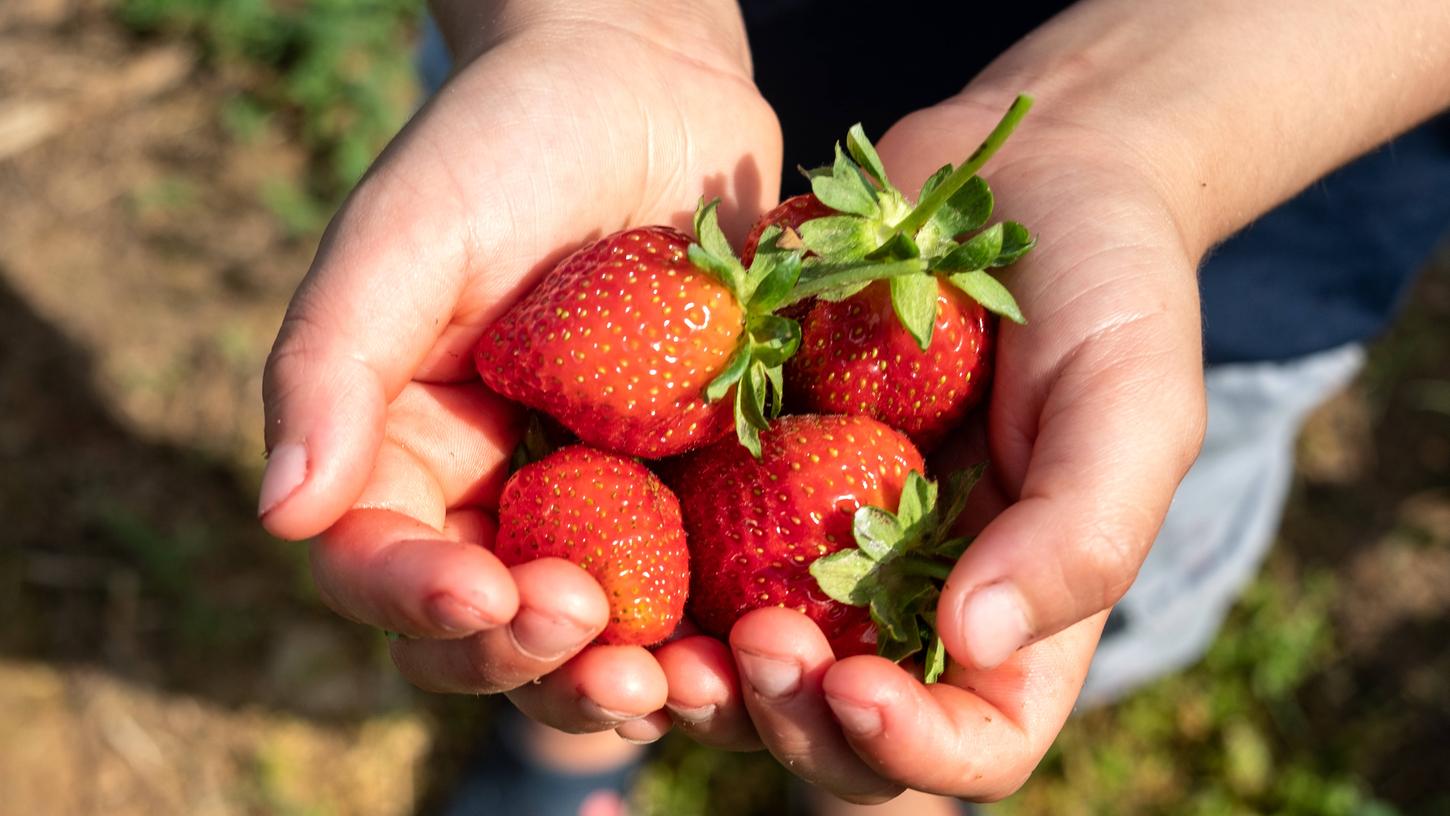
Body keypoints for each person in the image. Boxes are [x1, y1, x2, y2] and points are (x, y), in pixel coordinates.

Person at [257, 0, 1450, 813]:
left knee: (991, 610)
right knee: (564, 637)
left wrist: (1122, 139)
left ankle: (885, 784)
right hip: (695, 60)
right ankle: (559, 745)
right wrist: (598, 23)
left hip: (1241, 209)